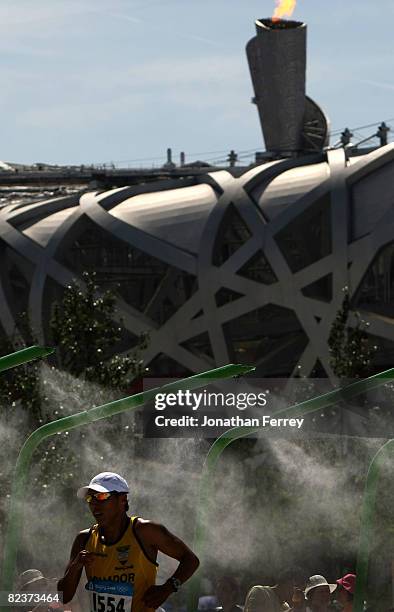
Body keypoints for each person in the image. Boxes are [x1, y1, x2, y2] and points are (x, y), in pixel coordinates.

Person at [58, 472, 199, 612]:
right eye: (90, 498)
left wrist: (167, 588)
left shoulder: (145, 531)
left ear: (122, 499)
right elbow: (63, 597)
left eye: (101, 496)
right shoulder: (84, 539)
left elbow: (191, 560)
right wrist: (75, 567)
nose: (94, 504)